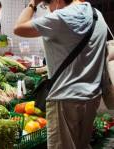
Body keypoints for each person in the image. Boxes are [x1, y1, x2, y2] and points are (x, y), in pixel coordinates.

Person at [13, 0, 107, 149]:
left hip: (65, 100)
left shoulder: (60, 17)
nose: (49, 10)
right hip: (92, 97)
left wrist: (33, 4)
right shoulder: (97, 15)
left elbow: (18, 28)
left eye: (47, 5)